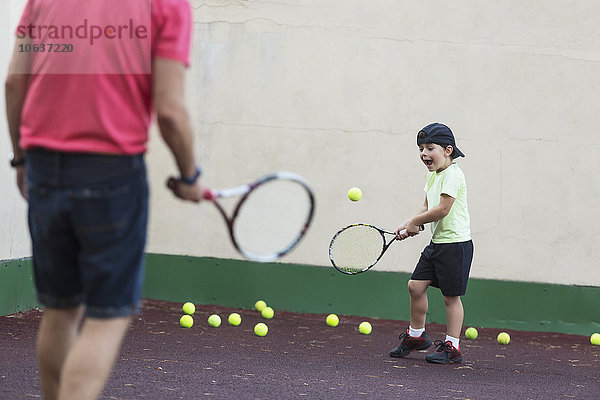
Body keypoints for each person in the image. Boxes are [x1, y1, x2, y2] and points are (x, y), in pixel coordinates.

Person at [5, 0, 202, 398]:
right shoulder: (168, 5)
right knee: (106, 318)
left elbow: (13, 83)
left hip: (43, 167)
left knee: (60, 309)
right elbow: (170, 112)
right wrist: (189, 176)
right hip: (111, 173)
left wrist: (22, 159)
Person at [389, 123, 473, 364]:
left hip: (455, 245)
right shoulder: (432, 176)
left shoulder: (454, 174)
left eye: (430, 148)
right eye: (420, 148)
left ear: (448, 150)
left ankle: (452, 347)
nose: (424, 153)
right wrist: (408, 224)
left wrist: (416, 221)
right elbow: (427, 207)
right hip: (437, 244)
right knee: (415, 286)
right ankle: (416, 336)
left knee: (451, 297)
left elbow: (443, 209)